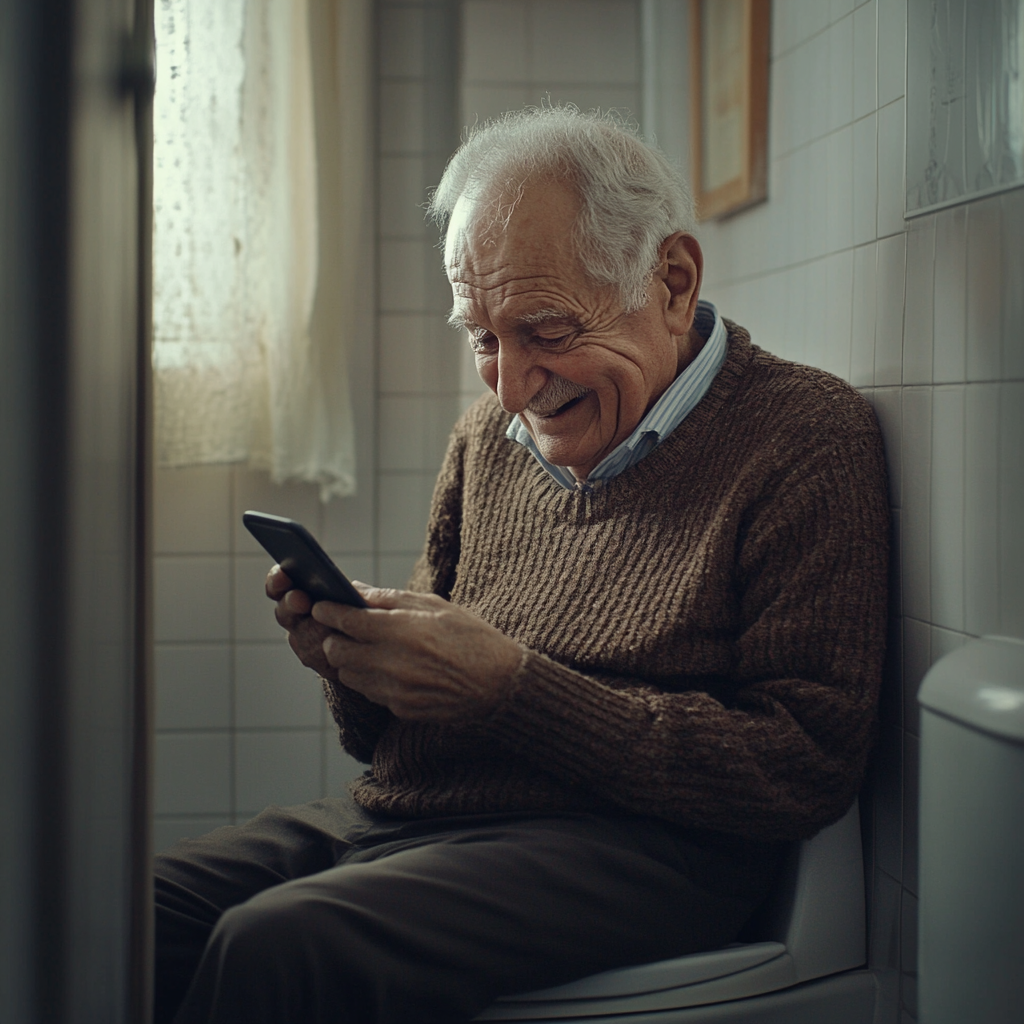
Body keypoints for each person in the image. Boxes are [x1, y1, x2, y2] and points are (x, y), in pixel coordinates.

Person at [154, 107, 889, 1024]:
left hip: (637, 846)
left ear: (671, 280)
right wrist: (352, 660)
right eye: (483, 337)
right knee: (133, 909)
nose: (509, 385)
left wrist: (512, 688)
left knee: (277, 945)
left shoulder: (804, 438)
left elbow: (802, 763)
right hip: (411, 816)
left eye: (544, 329)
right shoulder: (486, 439)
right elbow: (382, 741)